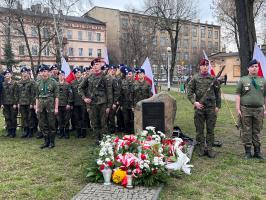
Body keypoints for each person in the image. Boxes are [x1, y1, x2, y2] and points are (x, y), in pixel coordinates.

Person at [187, 58, 221, 158]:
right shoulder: (195, 78)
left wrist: (218, 106)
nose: (205, 67)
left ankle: (209, 149)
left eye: (207, 65)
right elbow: (189, 92)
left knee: (211, 130)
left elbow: (217, 93)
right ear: (200, 67)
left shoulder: (213, 79)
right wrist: (195, 102)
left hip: (211, 108)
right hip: (200, 108)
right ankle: (201, 148)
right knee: (199, 130)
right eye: (203, 65)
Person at [236, 59, 266, 159]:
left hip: (259, 110)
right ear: (248, 68)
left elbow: (264, 96)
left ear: (258, 68)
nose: (254, 68)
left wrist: (265, 108)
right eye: (252, 66)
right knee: (246, 130)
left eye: (256, 66)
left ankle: (257, 152)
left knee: (257, 130)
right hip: (245, 109)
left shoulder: (262, 80)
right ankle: (248, 152)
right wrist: (238, 108)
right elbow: (238, 95)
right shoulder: (243, 80)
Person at [78, 58, 113, 144]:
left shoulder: (105, 77)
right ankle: (97, 139)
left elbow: (109, 92)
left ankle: (104, 140)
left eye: (97, 64)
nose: (95, 66)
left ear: (101, 65)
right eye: (94, 65)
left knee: (103, 122)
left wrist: (109, 106)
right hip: (92, 104)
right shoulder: (89, 77)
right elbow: (80, 88)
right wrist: (84, 98)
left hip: (102, 103)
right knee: (94, 122)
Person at [35, 64, 59, 149]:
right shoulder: (38, 83)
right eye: (41, 71)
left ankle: (52, 142)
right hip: (41, 106)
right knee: (42, 124)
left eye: (45, 71)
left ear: (48, 72)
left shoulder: (53, 82)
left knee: (51, 124)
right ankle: (46, 141)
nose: (43, 73)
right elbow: (37, 97)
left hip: (50, 106)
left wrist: (56, 108)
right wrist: (37, 107)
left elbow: (56, 96)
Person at [17, 67, 36, 138]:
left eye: (25, 72)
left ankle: (31, 131)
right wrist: (18, 102)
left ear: (28, 73)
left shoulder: (32, 82)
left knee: (30, 117)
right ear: (21, 73)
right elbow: (17, 94)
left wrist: (32, 103)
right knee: (24, 117)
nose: (24, 74)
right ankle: (26, 131)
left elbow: (33, 94)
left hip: (29, 103)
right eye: (23, 72)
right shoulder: (19, 82)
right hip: (22, 103)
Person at [57, 70, 73, 139]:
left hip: (66, 105)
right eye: (60, 75)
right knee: (59, 120)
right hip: (58, 105)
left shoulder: (67, 84)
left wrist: (69, 103)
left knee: (66, 119)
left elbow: (70, 95)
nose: (61, 76)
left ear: (64, 76)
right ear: (58, 76)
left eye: (62, 75)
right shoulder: (55, 85)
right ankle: (61, 133)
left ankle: (66, 133)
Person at [2, 69, 18, 137]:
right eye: (6, 74)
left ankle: (13, 132)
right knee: (7, 118)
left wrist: (15, 103)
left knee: (13, 117)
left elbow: (16, 94)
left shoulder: (14, 83)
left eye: (8, 74)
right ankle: (9, 131)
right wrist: (2, 103)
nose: (7, 75)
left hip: (12, 103)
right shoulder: (3, 83)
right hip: (5, 103)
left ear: (11, 75)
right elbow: (2, 94)